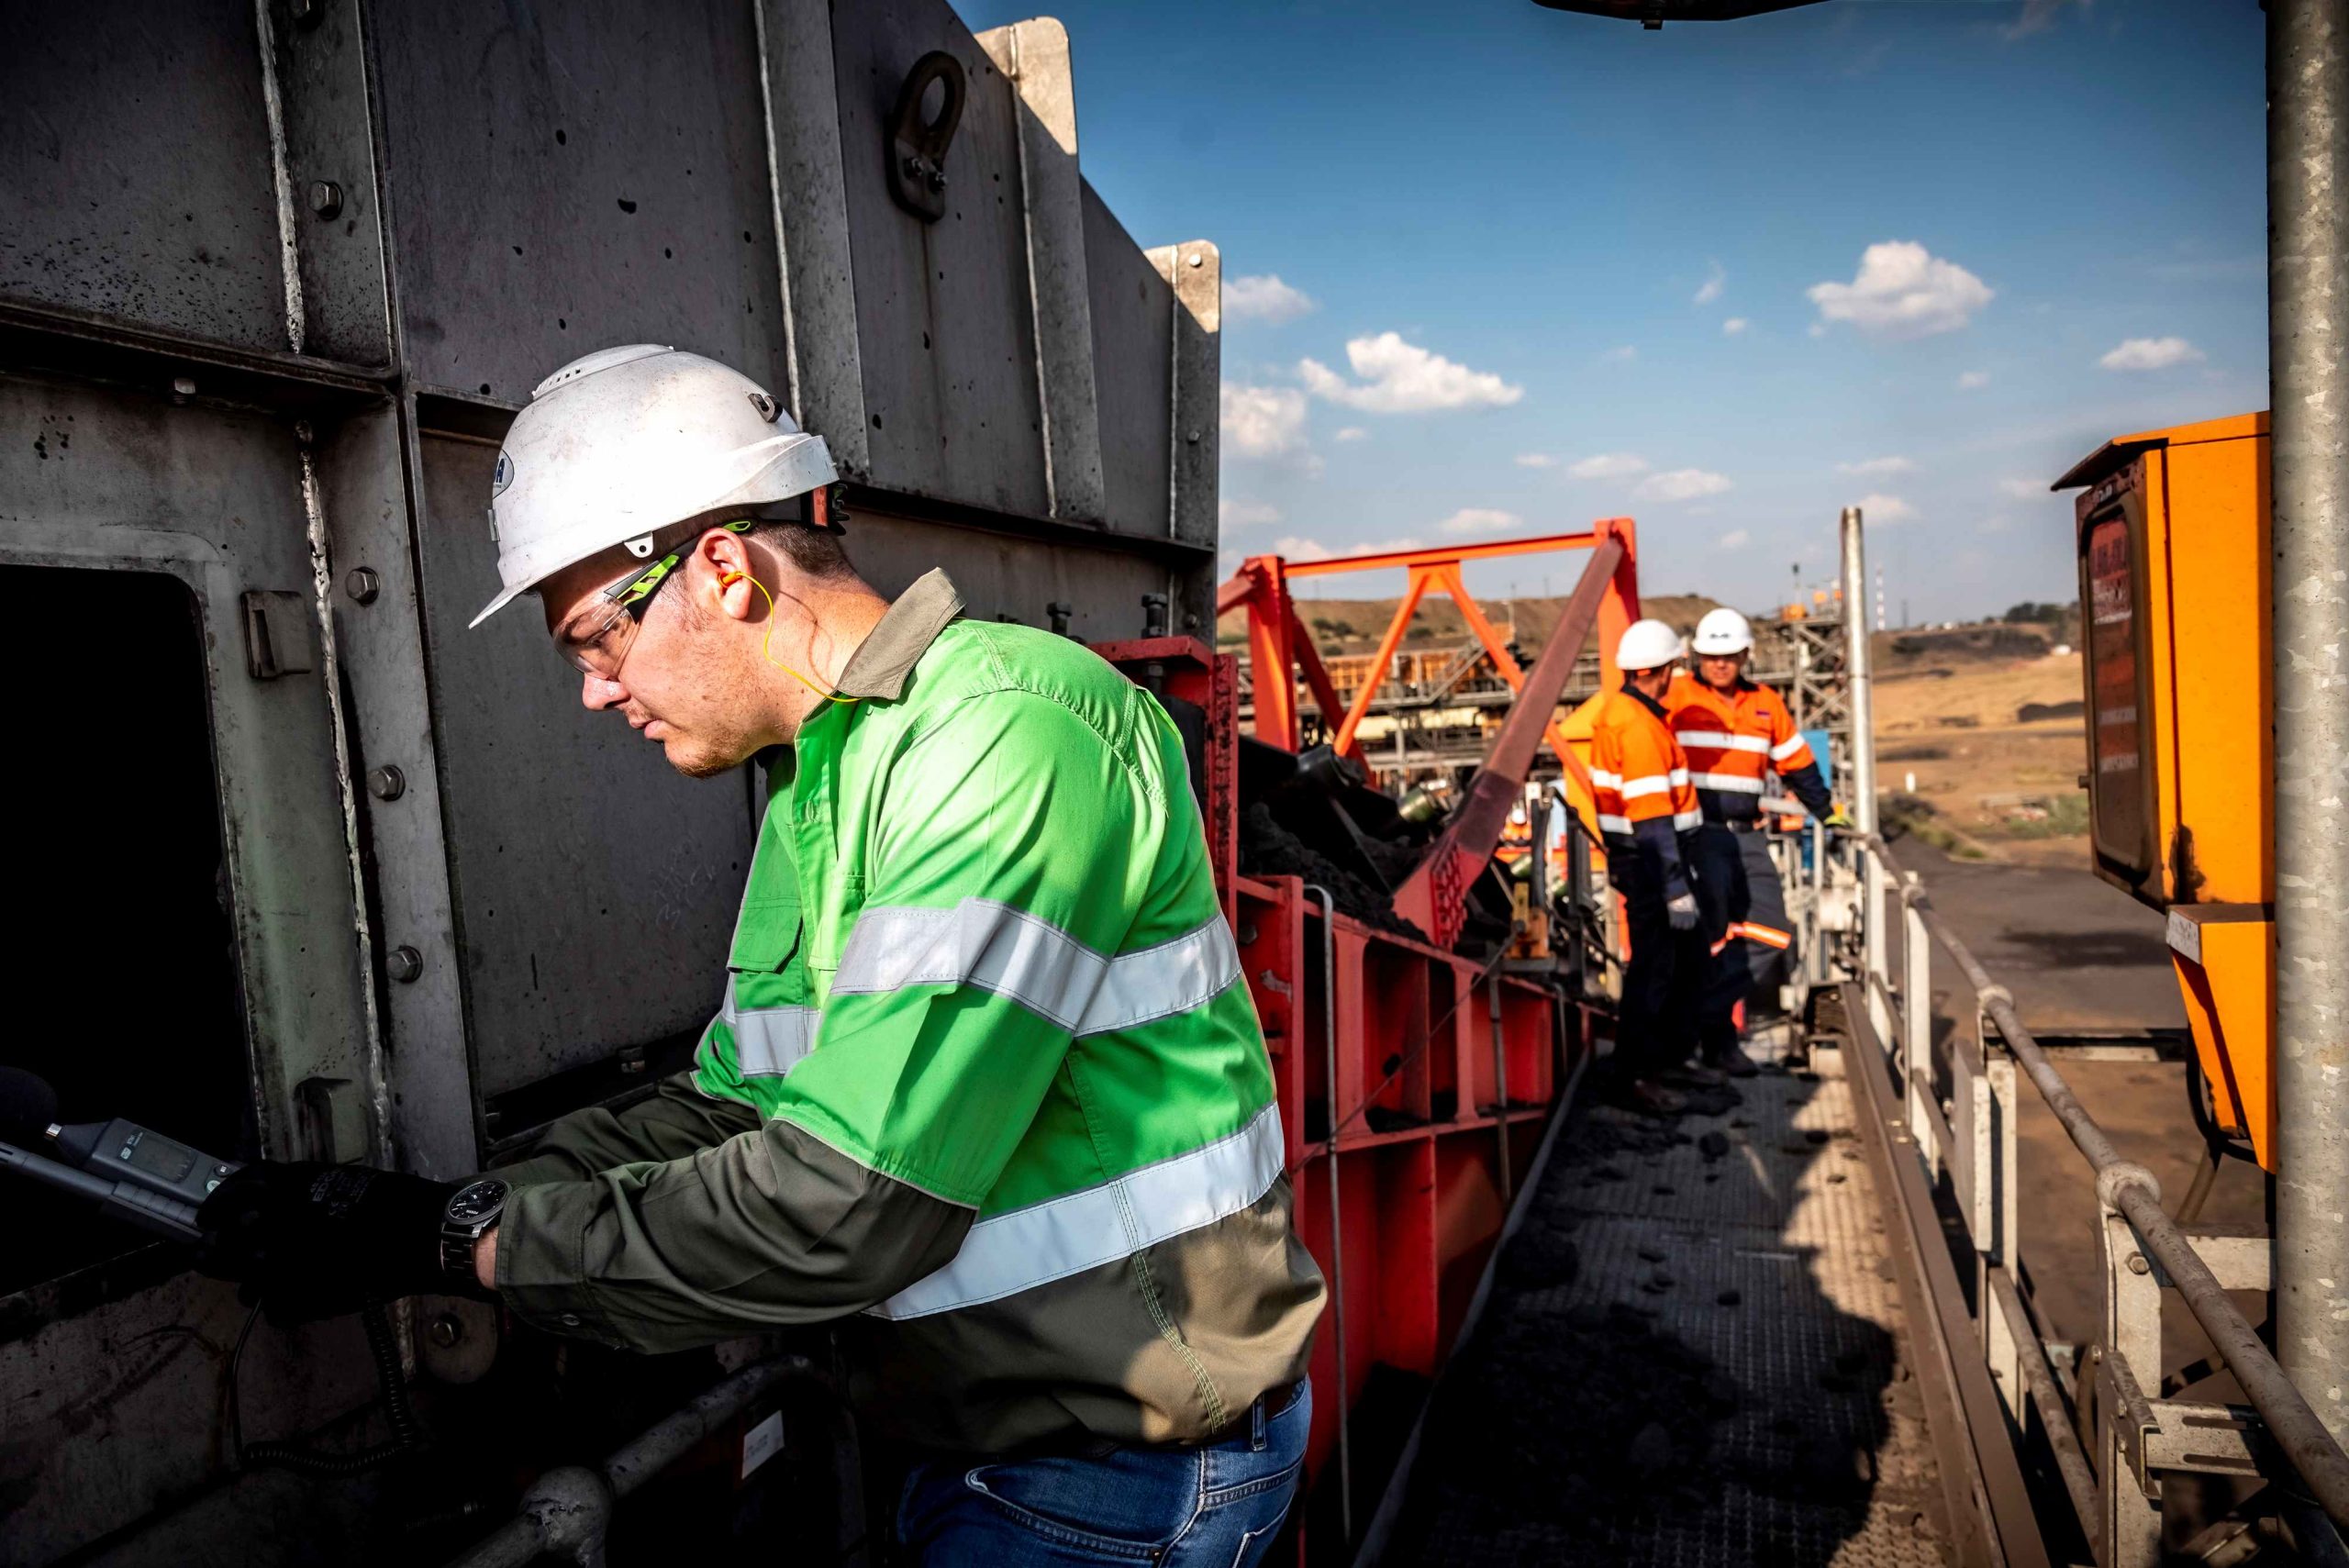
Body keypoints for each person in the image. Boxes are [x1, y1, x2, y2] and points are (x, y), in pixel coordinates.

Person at [195, 345, 1324, 1565]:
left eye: (594, 641)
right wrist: (451, 1205)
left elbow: (851, 1204)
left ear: (723, 569)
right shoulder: (821, 790)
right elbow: (739, 1111)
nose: (595, 692)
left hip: (1122, 1478)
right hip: (993, 1449)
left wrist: (470, 1253)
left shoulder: (1004, 734)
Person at [1665, 607, 1844, 1077]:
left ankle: (1701, 1018)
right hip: (1697, 833)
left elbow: (1798, 766)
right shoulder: (1676, 695)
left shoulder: (1767, 703)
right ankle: (1718, 1044)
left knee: (1772, 931)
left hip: (1747, 836)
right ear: (1696, 656)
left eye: (1728, 656)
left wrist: (1832, 815)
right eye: (1710, 656)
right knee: (1712, 940)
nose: (1720, 664)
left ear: (1746, 654)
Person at [1588, 618, 1707, 1115]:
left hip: (1641, 863)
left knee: (1669, 968)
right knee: (1653, 973)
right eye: (1675, 669)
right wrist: (1676, 887)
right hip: (1653, 867)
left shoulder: (1622, 712)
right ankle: (1634, 1078)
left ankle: (1655, 1065)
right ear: (1660, 671)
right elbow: (1653, 818)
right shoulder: (1638, 728)